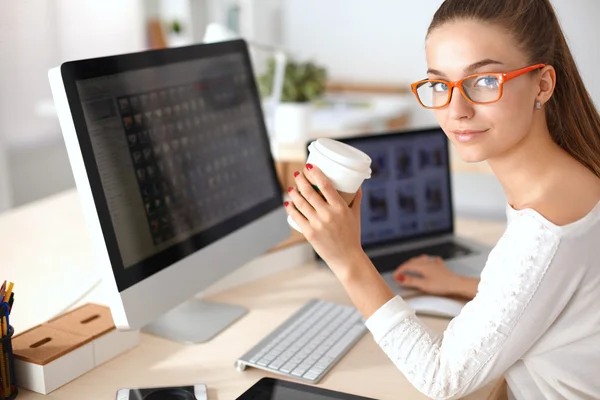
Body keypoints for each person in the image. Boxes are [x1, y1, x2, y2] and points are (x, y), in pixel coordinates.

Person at [284, 0, 600, 398]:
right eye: (439, 84)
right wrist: (465, 284)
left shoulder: (547, 225)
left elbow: (442, 378)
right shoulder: (569, 178)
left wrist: (347, 259)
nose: (456, 110)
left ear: (543, 84)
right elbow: (552, 289)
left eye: (484, 81)